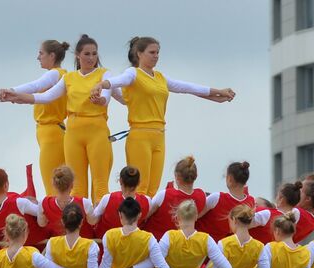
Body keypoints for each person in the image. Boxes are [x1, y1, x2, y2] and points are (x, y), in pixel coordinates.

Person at [90, 37, 234, 196]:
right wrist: (101, 85)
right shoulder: (133, 73)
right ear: (139, 54)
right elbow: (118, 81)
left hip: (159, 136)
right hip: (140, 135)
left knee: (153, 190)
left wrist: (219, 92)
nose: (156, 56)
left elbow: (188, 88)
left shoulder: (160, 77)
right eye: (151, 52)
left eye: (157, 52)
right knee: (140, 188)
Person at [2, 35, 115, 202]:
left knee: (99, 186)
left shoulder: (104, 74)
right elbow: (46, 96)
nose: (91, 58)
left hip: (93, 130)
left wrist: (102, 100)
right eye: (87, 54)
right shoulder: (69, 78)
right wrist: (15, 96)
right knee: (76, 188)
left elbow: (109, 94)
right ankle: (77, 225)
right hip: (72, 132)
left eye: (94, 54)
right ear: (77, 55)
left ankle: (100, 225)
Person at [0, 40, 72, 193]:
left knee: (52, 187)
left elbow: (35, 86)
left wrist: (11, 90)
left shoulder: (55, 74)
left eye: (41, 53)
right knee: (56, 186)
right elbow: (34, 95)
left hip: (51, 133)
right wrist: (12, 96)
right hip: (51, 132)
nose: (38, 57)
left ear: (52, 55)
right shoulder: (60, 75)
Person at [0, 168, 41, 246]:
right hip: (31, 238)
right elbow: (41, 212)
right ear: (6, 185)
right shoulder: (18, 202)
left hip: (10, 242)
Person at [145, 157, 207, 240]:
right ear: (196, 176)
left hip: (156, 243)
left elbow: (145, 216)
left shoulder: (164, 195)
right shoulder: (201, 195)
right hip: (181, 244)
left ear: (177, 176)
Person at [198, 162, 255, 241]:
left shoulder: (217, 197)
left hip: (204, 244)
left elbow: (196, 215)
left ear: (230, 179)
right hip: (226, 248)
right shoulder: (251, 201)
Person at [88, 166, 150, 235]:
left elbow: (92, 221)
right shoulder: (147, 201)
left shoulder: (108, 199)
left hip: (105, 244)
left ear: (120, 181)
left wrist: (93, 208)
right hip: (132, 244)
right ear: (138, 182)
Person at [38, 165, 94, 237]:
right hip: (84, 245)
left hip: (59, 246)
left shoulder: (43, 203)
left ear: (54, 185)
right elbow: (92, 222)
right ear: (72, 185)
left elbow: (42, 224)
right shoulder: (84, 203)